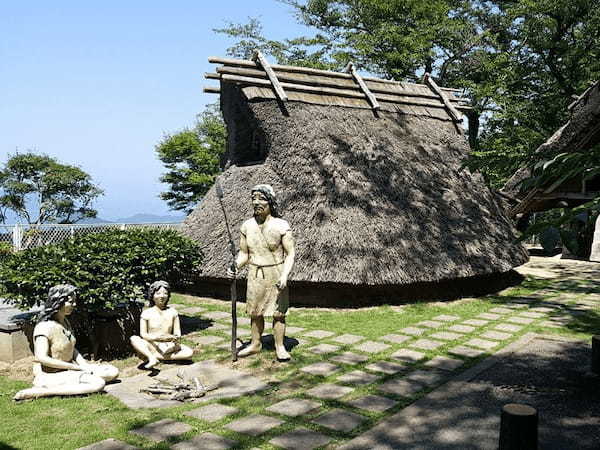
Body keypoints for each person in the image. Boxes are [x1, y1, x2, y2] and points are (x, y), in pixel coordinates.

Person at [13, 284, 119, 401]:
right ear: (57, 302)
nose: (74, 305)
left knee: (112, 372)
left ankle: (75, 383)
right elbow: (41, 357)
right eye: (70, 302)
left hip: (68, 371)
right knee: (98, 383)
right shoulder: (44, 327)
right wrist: (74, 367)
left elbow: (72, 348)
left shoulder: (65, 322)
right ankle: (43, 391)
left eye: (74, 301)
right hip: (50, 376)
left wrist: (84, 365)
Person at [230, 184, 296, 361]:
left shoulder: (281, 225)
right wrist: (235, 266)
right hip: (255, 274)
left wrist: (284, 275)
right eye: (254, 199)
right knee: (255, 311)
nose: (257, 202)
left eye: (262, 198)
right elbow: (244, 253)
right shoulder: (247, 226)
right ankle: (255, 343)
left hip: (276, 273)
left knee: (278, 313)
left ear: (271, 202)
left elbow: (290, 254)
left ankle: (280, 346)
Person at [130, 280, 193, 369]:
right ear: (152, 296)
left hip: (169, 346)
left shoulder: (173, 312)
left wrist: (174, 338)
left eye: (165, 293)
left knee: (189, 352)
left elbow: (177, 333)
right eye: (158, 293)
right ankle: (152, 357)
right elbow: (143, 334)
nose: (162, 296)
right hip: (152, 345)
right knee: (134, 339)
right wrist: (158, 338)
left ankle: (155, 357)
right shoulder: (146, 313)